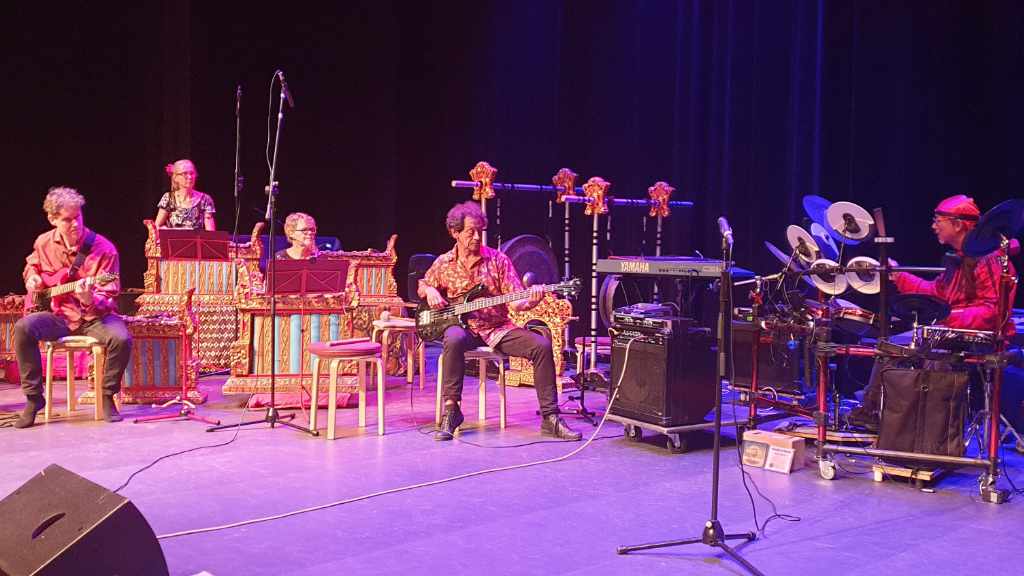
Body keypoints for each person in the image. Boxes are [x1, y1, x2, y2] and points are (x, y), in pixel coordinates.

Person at [848, 194, 1017, 431]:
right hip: (954, 331)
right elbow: (935, 293)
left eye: (939, 220)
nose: (933, 225)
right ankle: (874, 412)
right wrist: (900, 275)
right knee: (891, 346)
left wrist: (946, 317)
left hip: (981, 338)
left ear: (958, 224)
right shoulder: (958, 261)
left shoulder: (989, 259)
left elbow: (992, 311)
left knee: (930, 354)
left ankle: (927, 428)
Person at [418, 201, 581, 441]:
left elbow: (516, 302)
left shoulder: (498, 260)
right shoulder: (443, 263)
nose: (476, 237)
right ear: (455, 232)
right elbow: (423, 283)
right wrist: (430, 290)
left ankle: (550, 417)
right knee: (453, 337)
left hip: (497, 328)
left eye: (479, 232)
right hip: (462, 328)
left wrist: (532, 300)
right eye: (470, 232)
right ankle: (452, 411)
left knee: (542, 346)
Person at [13, 187, 132, 428]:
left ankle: (107, 394)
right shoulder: (43, 242)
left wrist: (89, 299)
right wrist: (31, 278)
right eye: (67, 220)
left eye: (77, 217)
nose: (75, 224)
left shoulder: (104, 249)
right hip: (59, 315)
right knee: (23, 328)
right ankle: (34, 398)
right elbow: (31, 266)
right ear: (53, 219)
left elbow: (109, 295)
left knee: (121, 339)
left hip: (94, 318)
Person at [154, 159, 217, 230]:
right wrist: (177, 231)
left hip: (196, 241)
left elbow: (210, 232)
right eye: (185, 173)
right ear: (176, 177)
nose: (190, 177)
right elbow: (157, 227)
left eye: (192, 173)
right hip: (173, 240)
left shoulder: (205, 199)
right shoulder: (168, 198)